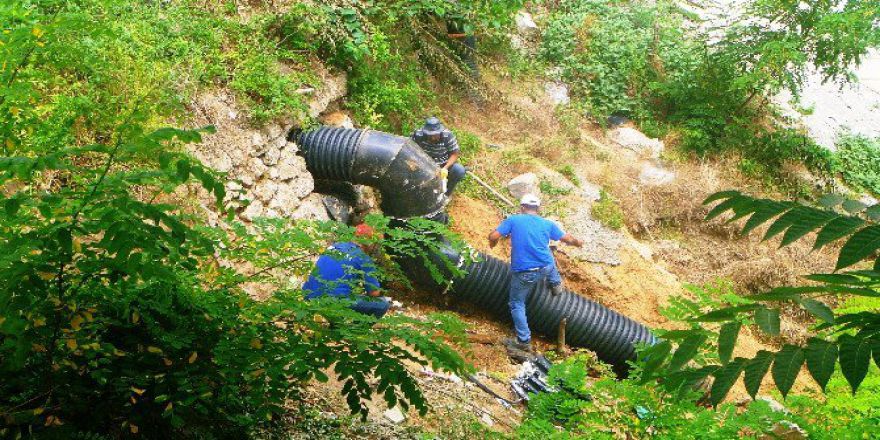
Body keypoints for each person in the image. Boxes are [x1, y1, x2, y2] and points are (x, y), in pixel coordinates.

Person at [487, 194, 584, 357]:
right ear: (537, 209)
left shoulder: (514, 220)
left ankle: (523, 341)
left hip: (526, 273)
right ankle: (555, 283)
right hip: (546, 268)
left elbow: (494, 236)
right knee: (547, 256)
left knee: (516, 303)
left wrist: (492, 243)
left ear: (522, 207)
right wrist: (578, 243)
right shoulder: (547, 224)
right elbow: (567, 238)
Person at [302, 224, 390, 318]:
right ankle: (357, 331)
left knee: (341, 295)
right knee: (382, 304)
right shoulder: (363, 258)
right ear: (369, 242)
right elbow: (374, 293)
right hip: (333, 301)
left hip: (309, 295)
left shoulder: (334, 247)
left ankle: (336, 328)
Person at [411, 117, 466, 196]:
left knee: (459, 170)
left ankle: (446, 195)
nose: (433, 137)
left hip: (442, 164)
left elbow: (454, 154)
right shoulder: (418, 135)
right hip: (424, 164)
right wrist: (415, 162)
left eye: (435, 135)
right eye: (430, 135)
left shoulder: (447, 136)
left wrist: (445, 168)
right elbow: (410, 149)